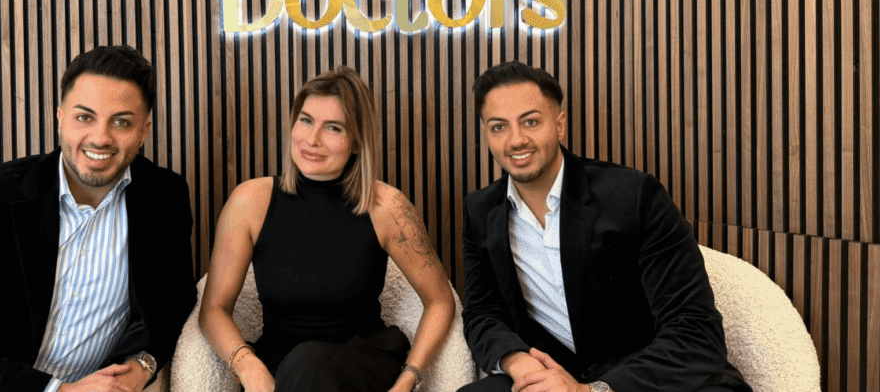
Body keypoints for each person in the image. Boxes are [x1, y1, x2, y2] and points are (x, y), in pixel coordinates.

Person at [0, 45, 197, 392]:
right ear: (60, 118)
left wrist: (143, 363)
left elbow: (174, 301)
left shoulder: (165, 197)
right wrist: (58, 390)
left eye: (121, 122)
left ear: (144, 130)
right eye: (84, 117)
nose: (101, 138)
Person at [458, 61, 750, 392]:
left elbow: (696, 332)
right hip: (557, 375)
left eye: (531, 122)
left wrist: (592, 390)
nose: (516, 140)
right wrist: (518, 362)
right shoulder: (481, 211)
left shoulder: (634, 196)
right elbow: (482, 313)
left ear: (559, 124)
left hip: (652, 379)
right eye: (499, 127)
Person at [199, 66, 455, 392]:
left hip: (363, 365)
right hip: (278, 370)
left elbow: (440, 301)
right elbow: (213, 309)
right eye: (306, 120)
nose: (312, 139)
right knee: (303, 365)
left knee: (310, 361)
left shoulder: (388, 206)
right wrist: (247, 365)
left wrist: (407, 381)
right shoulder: (249, 201)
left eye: (333, 128)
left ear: (357, 141)